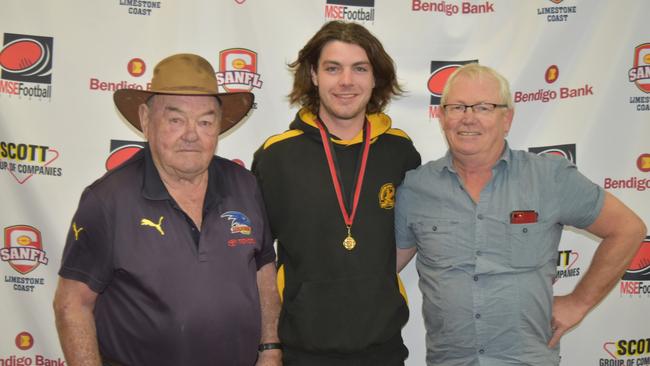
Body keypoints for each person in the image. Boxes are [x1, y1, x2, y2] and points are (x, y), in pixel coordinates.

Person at [395, 63, 647, 365]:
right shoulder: (416, 188)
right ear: (442, 116)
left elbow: (628, 229)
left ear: (507, 119)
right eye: (457, 107)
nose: (468, 118)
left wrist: (579, 302)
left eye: (484, 107)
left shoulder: (549, 178)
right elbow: (384, 267)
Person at [53, 53, 282, 366]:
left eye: (205, 121)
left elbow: (263, 270)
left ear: (219, 126)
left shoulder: (245, 185)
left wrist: (270, 348)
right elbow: (71, 304)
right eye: (175, 119)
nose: (191, 134)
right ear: (146, 120)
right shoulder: (107, 201)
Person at [252, 21, 421, 365]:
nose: (346, 81)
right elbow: (257, 257)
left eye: (360, 68)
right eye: (333, 68)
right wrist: (269, 343)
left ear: (375, 78)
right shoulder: (276, 157)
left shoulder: (399, 151)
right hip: (302, 351)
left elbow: (417, 230)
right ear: (313, 75)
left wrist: (373, 277)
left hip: (384, 350)